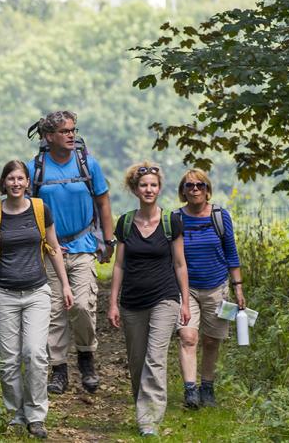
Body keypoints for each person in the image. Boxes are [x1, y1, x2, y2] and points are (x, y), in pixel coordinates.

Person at [0, 160, 74, 440]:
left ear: (28, 182)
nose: (16, 183)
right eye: (11, 178)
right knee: (8, 360)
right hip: (2, 294)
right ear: (3, 182)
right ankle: (15, 415)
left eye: (21, 178)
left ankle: (36, 415)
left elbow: (53, 248)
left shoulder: (41, 210)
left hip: (37, 292)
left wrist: (65, 285)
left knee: (35, 354)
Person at [26, 110, 115, 394]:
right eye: (65, 131)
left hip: (83, 246)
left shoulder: (88, 164)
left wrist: (108, 240)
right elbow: (28, 210)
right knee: (55, 310)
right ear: (49, 136)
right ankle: (59, 370)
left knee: (82, 305)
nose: (71, 135)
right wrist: (40, 242)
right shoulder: (35, 169)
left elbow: (103, 203)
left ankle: (87, 357)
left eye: (73, 130)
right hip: (51, 250)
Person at [107, 161, 190, 437]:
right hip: (132, 301)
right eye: (144, 185)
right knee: (137, 360)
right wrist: (113, 302)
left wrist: (186, 301)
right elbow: (118, 265)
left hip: (164, 297)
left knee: (155, 358)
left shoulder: (171, 222)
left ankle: (149, 421)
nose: (149, 189)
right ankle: (143, 408)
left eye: (153, 185)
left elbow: (180, 264)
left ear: (159, 188)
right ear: (135, 189)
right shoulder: (126, 222)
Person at [173, 169, 245, 409]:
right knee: (188, 336)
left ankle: (208, 387)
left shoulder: (219, 216)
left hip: (217, 287)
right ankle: (190, 390)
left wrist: (238, 288)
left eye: (200, 185)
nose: (195, 189)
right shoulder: (175, 219)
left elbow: (231, 253)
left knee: (212, 341)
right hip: (185, 289)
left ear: (207, 189)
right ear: (183, 191)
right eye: (189, 185)